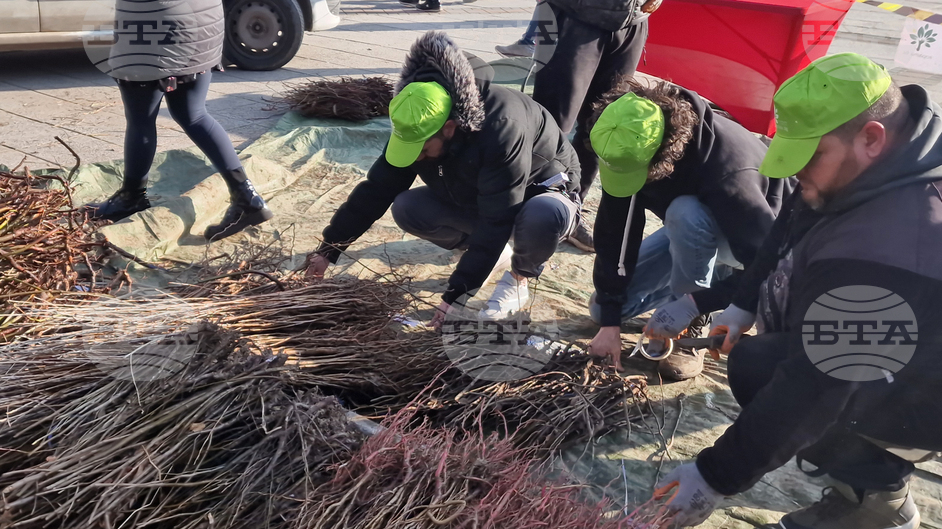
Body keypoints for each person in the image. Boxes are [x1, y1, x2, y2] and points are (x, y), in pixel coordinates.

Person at [656, 53, 942, 529]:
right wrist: (743, 301)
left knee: (762, 370)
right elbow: (794, 215)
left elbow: (817, 383)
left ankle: (878, 497)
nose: (798, 178)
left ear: (871, 138)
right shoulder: (914, 140)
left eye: (810, 159)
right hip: (926, 326)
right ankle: (859, 448)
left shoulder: (896, 246)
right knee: (775, 353)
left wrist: (714, 477)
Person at [305, 31, 581, 324]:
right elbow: (376, 191)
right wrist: (329, 250)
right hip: (482, 191)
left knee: (542, 215)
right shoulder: (417, 119)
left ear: (449, 128)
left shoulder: (502, 127)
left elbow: (499, 215)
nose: (417, 157)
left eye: (422, 149)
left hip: (540, 193)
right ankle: (492, 253)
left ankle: (518, 278)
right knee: (408, 207)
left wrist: (456, 295)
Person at [586, 80, 793, 380]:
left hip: (753, 239)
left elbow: (768, 265)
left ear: (663, 155)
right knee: (601, 309)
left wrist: (695, 304)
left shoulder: (730, 177)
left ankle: (690, 332)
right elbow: (614, 231)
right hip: (689, 232)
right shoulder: (626, 138)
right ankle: (683, 293)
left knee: (686, 212)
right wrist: (610, 323)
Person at [87, 0, 272, 242]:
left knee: (140, 118)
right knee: (193, 114)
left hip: (156, 23)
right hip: (203, 23)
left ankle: (131, 198)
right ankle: (246, 196)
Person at [531, 0, 657, 210]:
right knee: (551, 125)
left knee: (604, 125)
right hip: (574, 16)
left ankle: (571, 206)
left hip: (633, 20)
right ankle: (531, 204)